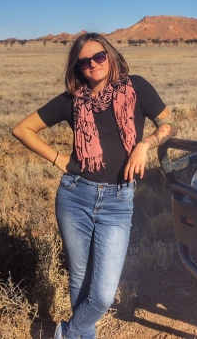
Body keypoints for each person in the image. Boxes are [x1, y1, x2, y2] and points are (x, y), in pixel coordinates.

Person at [12, 33, 178, 339]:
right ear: (78, 68)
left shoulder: (137, 87)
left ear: (111, 55)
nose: (93, 64)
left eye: (99, 56)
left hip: (117, 200)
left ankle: (67, 332)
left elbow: (169, 123)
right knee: (79, 278)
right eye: (84, 61)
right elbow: (22, 129)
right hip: (75, 195)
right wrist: (59, 158)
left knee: (102, 294)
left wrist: (145, 144)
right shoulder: (71, 102)